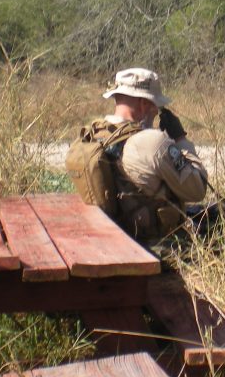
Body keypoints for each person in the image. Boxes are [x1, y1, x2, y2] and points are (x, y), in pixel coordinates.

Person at [81, 67, 208, 244]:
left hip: (107, 237)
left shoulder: (94, 134)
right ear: (144, 103)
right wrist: (180, 139)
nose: (156, 112)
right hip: (149, 245)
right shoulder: (152, 142)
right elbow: (197, 189)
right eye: (156, 105)